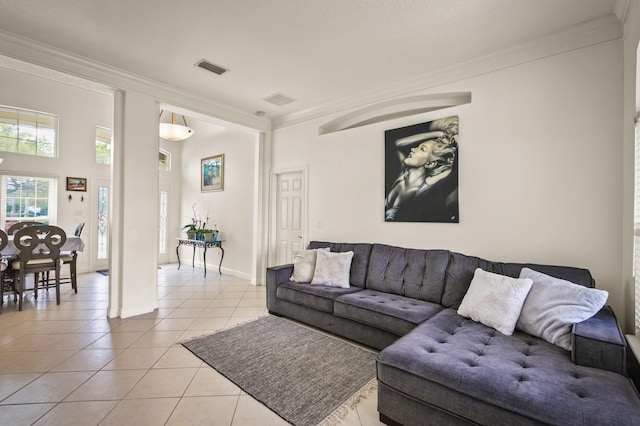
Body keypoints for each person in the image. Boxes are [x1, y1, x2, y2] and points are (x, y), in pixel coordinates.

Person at [385, 116, 458, 222]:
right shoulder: (403, 175)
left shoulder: (426, 186)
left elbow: (453, 172)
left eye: (422, 149)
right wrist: (438, 134)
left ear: (431, 163)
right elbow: (399, 144)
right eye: (418, 146)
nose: (413, 149)